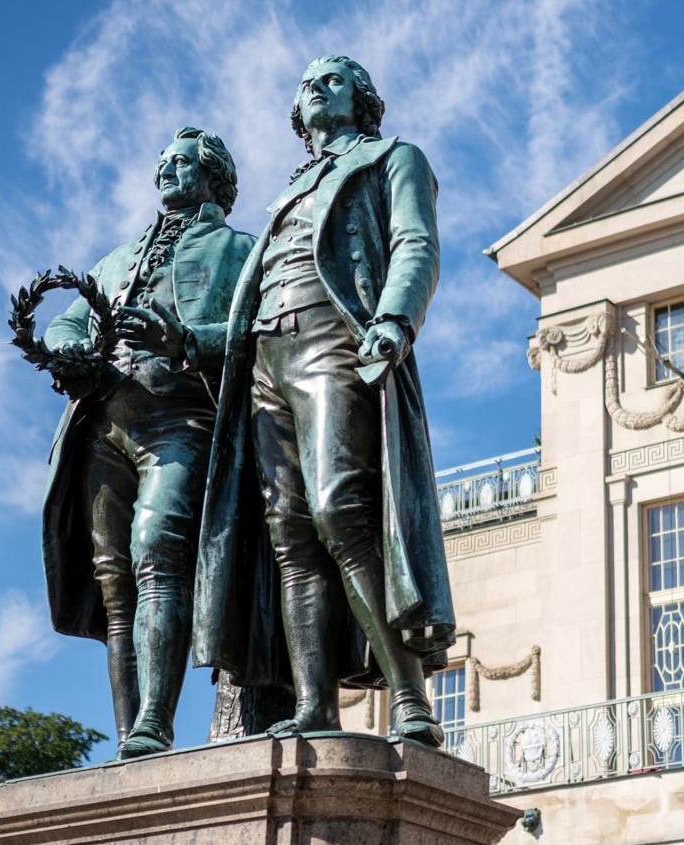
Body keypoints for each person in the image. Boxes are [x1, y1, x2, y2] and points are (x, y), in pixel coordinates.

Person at [195, 55, 454, 747]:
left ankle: (410, 700)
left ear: (363, 98)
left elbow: (415, 243)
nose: (315, 87)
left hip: (333, 339)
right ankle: (314, 704)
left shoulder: (393, 157)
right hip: (264, 361)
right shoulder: (288, 192)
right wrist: (186, 339)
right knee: (289, 533)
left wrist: (394, 319)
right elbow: (250, 298)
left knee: (340, 508)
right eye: (306, 83)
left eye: (332, 79)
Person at [40, 127, 256, 758]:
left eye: (181, 162)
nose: (166, 170)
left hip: (181, 418)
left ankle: (154, 722)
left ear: (214, 176)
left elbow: (256, 329)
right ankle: (130, 736)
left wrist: (188, 340)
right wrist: (68, 350)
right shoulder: (115, 261)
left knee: (157, 549)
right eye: (162, 162)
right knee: (114, 582)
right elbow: (66, 321)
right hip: (102, 425)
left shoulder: (241, 250)